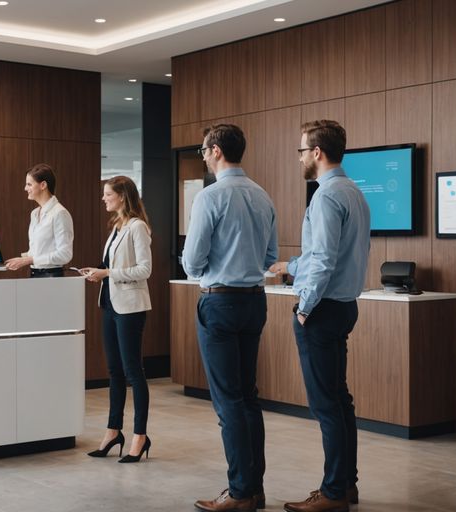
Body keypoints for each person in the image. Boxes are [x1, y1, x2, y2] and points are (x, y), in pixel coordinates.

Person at [270, 121, 369, 512]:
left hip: (323, 310)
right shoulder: (353, 193)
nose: (299, 158)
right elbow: (329, 255)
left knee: (326, 405)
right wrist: (292, 264)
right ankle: (345, 485)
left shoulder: (326, 197)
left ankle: (332, 494)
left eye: (301, 151)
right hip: (344, 306)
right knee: (340, 401)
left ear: (317, 153)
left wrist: (304, 308)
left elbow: (326, 260)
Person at [183, 124, 278, 512]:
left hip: (219, 303)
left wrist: (209, 269)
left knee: (228, 403)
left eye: (204, 150)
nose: (203, 156)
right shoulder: (262, 195)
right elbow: (270, 258)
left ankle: (239, 492)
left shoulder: (211, 197)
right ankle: (253, 489)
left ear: (217, 150)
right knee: (248, 397)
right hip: (254, 302)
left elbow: (191, 262)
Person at [79, 176, 153, 463]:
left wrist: (107, 274)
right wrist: (96, 271)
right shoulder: (117, 228)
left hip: (131, 306)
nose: (104, 198)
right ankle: (113, 432)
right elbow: (113, 265)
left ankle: (140, 436)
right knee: (114, 371)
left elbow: (144, 269)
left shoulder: (138, 227)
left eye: (108, 194)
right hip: (110, 303)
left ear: (122, 196)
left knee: (134, 372)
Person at [4, 163, 74, 277]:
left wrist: (30, 260)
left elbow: (65, 254)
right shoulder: (35, 213)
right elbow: (40, 249)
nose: (25, 188)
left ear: (43, 185)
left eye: (29, 184)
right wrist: (24, 258)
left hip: (51, 277)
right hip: (34, 274)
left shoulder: (60, 213)